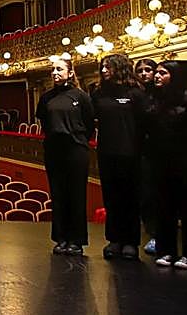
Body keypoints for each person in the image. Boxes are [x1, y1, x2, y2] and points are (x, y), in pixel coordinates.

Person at [91, 54, 150, 261]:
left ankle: (131, 242)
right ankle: (114, 239)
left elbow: (145, 124)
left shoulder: (135, 94)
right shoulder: (98, 94)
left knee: (130, 198)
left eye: (108, 67)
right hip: (107, 152)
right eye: (102, 67)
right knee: (112, 197)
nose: (104, 70)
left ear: (120, 68)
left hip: (131, 153)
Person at [36, 56, 95, 256]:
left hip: (76, 150)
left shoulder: (81, 96)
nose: (55, 73)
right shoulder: (46, 98)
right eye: (53, 69)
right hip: (54, 150)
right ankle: (61, 238)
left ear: (70, 73)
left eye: (59, 69)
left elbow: (88, 125)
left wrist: (77, 139)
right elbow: (45, 123)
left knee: (77, 195)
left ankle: (76, 240)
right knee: (58, 195)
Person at [147, 61, 187, 268]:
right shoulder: (153, 101)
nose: (156, 76)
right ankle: (166, 250)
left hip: (184, 160)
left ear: (175, 76)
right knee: (164, 207)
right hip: (161, 161)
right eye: (157, 73)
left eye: (163, 73)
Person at [133, 56, 160, 256]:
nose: (144, 74)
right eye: (140, 70)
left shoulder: (164, 94)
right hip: (141, 150)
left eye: (148, 70)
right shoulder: (134, 95)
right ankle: (153, 234)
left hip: (161, 148)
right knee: (147, 195)